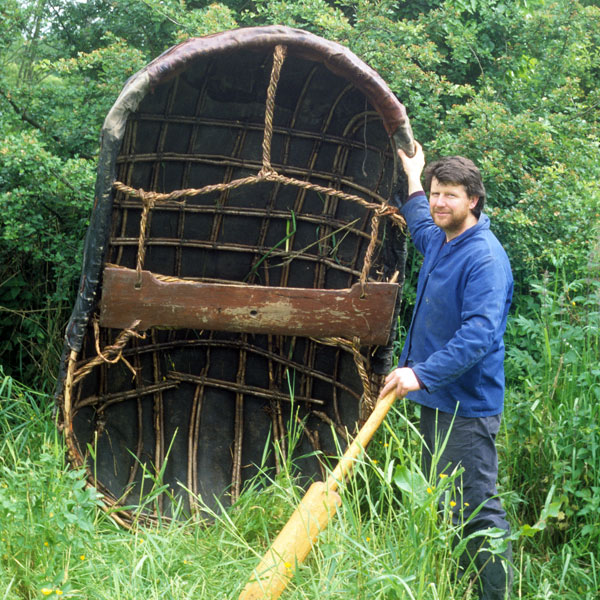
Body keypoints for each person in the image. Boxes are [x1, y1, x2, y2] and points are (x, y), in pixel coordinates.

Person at [378, 141, 514, 599]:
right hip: (437, 402)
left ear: (472, 200)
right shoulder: (440, 237)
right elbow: (416, 218)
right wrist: (415, 175)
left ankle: (493, 595)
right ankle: (461, 588)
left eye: (450, 195)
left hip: (468, 407)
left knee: (477, 508)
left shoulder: (485, 259)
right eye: (437, 193)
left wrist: (419, 374)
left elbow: (478, 336)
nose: (439, 202)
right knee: (449, 507)